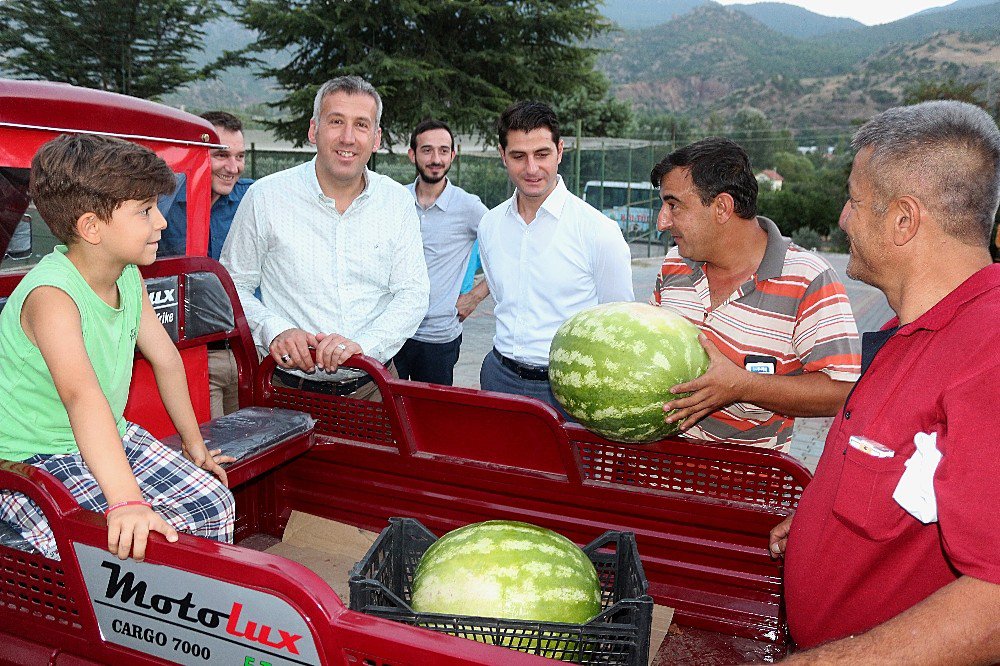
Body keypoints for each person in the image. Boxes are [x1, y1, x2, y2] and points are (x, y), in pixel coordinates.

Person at [769, 101, 1000, 663]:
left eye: (853, 199)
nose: (844, 218)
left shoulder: (989, 355)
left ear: (904, 219)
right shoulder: (908, 331)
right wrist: (823, 525)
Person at [0, 134, 235, 561]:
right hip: (31, 457)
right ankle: (100, 623)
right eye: (145, 211)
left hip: (109, 434)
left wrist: (192, 441)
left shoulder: (126, 275)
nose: (161, 222)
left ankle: (180, 615)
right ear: (92, 227)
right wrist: (126, 501)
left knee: (213, 503)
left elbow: (165, 358)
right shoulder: (53, 297)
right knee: (92, 545)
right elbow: (82, 397)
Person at [221, 76, 429, 400]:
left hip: (375, 390)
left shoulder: (397, 202)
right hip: (287, 392)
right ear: (313, 130)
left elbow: (412, 294)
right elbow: (232, 285)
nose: (348, 137)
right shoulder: (265, 197)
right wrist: (274, 330)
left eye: (361, 125)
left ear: (376, 139)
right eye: (336, 122)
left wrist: (364, 347)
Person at [650, 138, 861, 452]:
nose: (662, 222)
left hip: (748, 490)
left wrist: (741, 386)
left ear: (722, 207)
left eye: (674, 205)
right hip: (656, 475)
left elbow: (842, 392)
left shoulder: (808, 278)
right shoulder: (672, 265)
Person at [477, 101, 633, 411]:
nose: (532, 168)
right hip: (498, 379)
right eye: (519, 156)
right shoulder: (489, 225)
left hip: (569, 390)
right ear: (502, 155)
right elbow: (501, 299)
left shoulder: (598, 231)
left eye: (542, 154)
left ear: (560, 151)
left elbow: (619, 322)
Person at [160, 111, 253, 417]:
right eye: (221, 156)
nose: (233, 167)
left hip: (248, 351)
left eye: (239, 156)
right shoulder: (163, 204)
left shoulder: (251, 200)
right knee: (211, 452)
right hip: (193, 354)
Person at [396, 119, 489, 385]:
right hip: (393, 333)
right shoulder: (395, 201)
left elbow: (509, 251)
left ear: (452, 155)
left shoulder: (469, 207)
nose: (436, 158)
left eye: (443, 150)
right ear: (412, 154)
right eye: (427, 150)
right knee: (389, 419)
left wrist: (475, 296)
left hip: (438, 338)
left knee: (431, 420)